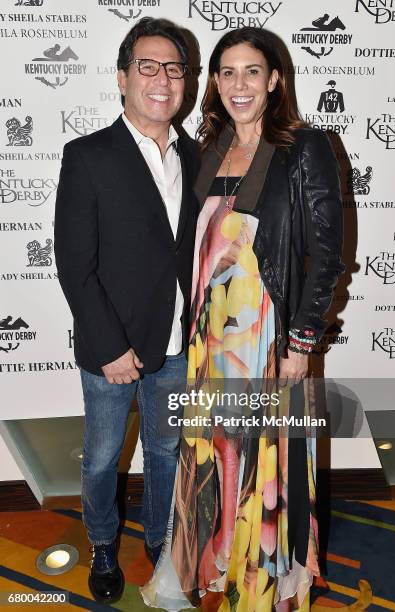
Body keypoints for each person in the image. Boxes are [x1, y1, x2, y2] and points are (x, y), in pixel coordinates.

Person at [141, 26, 344, 612]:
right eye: (226, 72)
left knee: (264, 458)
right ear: (215, 83)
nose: (238, 84)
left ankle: (260, 587)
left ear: (275, 79)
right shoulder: (206, 149)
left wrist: (301, 341)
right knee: (216, 453)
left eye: (251, 71)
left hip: (266, 337)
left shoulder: (305, 148)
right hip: (209, 340)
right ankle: (220, 563)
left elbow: (326, 254)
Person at [54, 17, 199, 604]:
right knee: (102, 459)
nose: (162, 79)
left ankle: (161, 543)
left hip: (177, 345)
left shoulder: (202, 155)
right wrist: (110, 346)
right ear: (121, 77)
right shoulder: (88, 155)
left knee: (166, 452)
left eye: (173, 68)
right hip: (109, 348)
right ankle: (104, 544)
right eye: (147, 66)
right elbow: (74, 263)